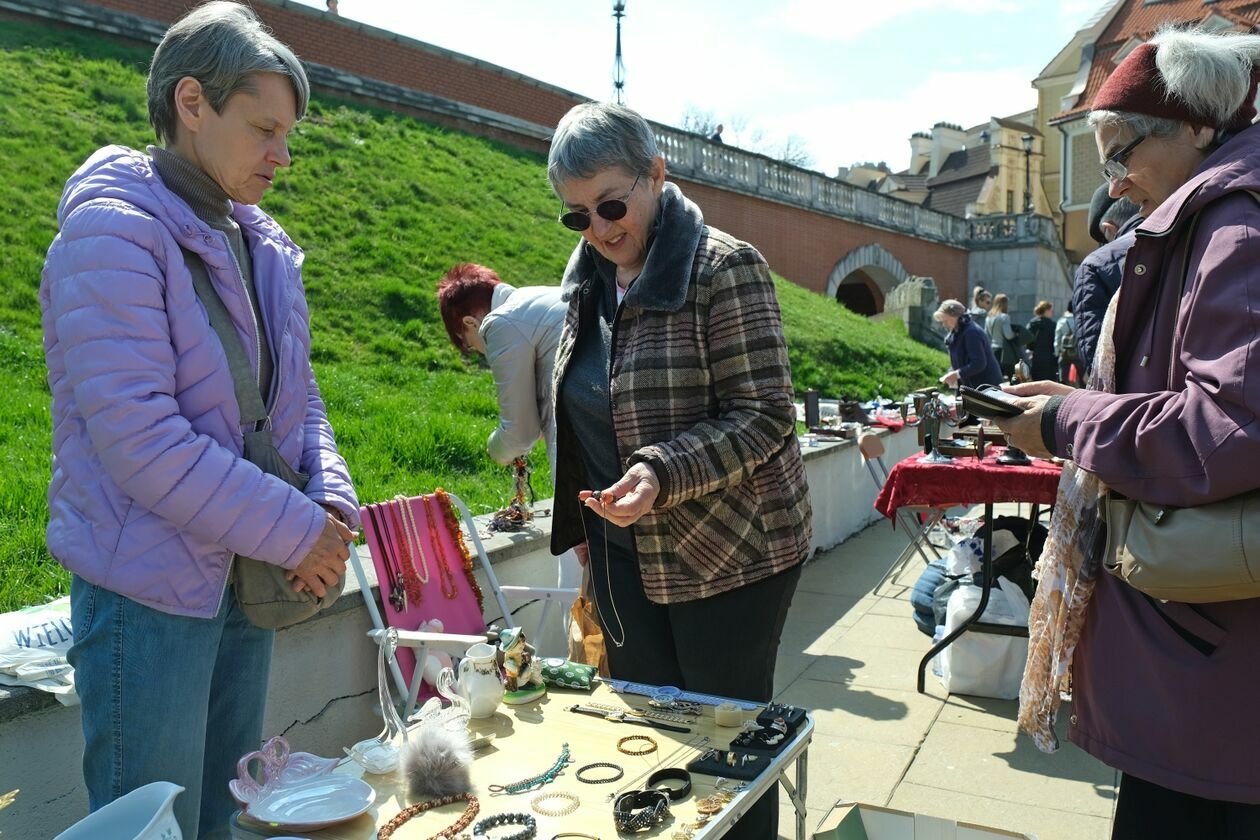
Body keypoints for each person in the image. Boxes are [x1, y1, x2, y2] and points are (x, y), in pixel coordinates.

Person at [39, 4, 359, 836]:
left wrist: (331, 506)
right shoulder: (112, 232)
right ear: (191, 103)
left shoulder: (259, 243)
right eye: (263, 129)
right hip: (148, 598)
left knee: (223, 816)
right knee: (151, 825)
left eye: (287, 134)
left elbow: (300, 399)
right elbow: (141, 440)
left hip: (246, 574)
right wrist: (299, 532)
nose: (282, 156)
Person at [999, 27, 1260, 838]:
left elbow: (1227, 427)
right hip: (1205, 655)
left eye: (1121, 155)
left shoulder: (1234, 228)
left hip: (1213, 663)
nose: (1112, 187)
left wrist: (1066, 420)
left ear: (1195, 127)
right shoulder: (1214, 215)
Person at [546, 101, 811, 840]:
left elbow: (764, 415)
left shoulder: (726, 267)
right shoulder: (586, 282)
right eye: (577, 217)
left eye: (610, 205)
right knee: (650, 754)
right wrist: (581, 521)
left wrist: (661, 473)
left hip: (728, 557)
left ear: (657, 175)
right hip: (623, 558)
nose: (598, 230)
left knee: (726, 759)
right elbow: (584, 407)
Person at [437, 263, 567, 469]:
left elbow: (519, 435)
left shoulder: (501, 323)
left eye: (470, 343)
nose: (481, 351)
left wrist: (495, 449)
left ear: (470, 323)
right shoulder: (538, 296)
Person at [1071, 190, 1141, 376]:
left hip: (1132, 397)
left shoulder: (1096, 265)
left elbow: (1099, 365)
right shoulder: (1192, 237)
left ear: (1109, 228)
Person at [934, 299, 1002, 390]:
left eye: (945, 320)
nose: (943, 324)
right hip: (972, 386)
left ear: (954, 316)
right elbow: (959, 361)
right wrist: (953, 374)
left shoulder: (972, 332)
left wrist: (956, 374)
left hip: (986, 387)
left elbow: (979, 363)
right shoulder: (956, 332)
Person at [984, 292, 1020, 379]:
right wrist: (1016, 334)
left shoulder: (988, 317)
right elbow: (1008, 335)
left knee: (996, 377)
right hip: (1004, 352)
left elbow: (986, 334)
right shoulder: (1004, 317)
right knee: (1012, 377)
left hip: (993, 350)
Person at [1025, 300, 1057, 382]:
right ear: (1046, 311)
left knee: (1037, 382)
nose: (1052, 313)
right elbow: (1055, 342)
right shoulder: (1052, 325)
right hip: (1049, 358)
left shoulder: (1032, 323)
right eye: (1051, 310)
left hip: (1036, 358)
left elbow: (1028, 341)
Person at [1053, 307, 1080, 386]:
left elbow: (1057, 338)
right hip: (1077, 353)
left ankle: (1063, 394)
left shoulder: (1061, 321)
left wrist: (1057, 352)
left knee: (1063, 378)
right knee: (1083, 377)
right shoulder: (1079, 319)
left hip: (1064, 353)